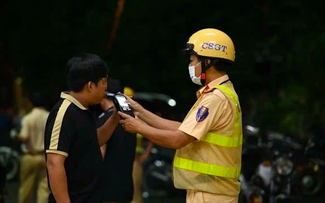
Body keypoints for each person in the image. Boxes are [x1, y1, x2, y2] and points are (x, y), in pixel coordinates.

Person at [118, 28, 242, 203]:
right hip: (210, 192)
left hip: (211, 195)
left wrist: (138, 127)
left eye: (193, 60)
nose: (190, 66)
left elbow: (178, 139)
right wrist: (141, 112)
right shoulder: (218, 94)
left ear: (207, 61)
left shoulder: (215, 98)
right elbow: (182, 128)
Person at [44, 53, 120, 203]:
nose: (106, 87)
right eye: (104, 82)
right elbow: (54, 163)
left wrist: (115, 118)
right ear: (91, 85)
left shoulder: (84, 109)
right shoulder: (64, 113)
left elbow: (94, 141)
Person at [96, 79, 137, 203]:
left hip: (108, 188)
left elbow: (100, 154)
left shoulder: (104, 120)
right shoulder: (130, 118)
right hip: (126, 185)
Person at [18, 92, 50, 203]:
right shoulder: (49, 116)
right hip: (46, 157)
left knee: (26, 189)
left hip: (30, 156)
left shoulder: (28, 118)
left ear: (31, 103)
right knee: (44, 190)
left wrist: (17, 136)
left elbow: (24, 137)